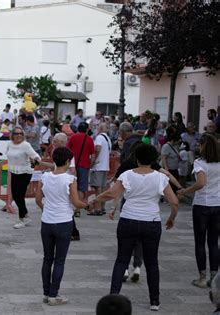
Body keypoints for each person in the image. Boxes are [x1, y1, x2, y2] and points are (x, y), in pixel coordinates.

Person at [89, 143, 178, 311]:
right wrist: (171, 218)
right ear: (154, 159)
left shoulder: (128, 175)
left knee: (121, 260)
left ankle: (113, 297)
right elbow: (174, 202)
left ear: (137, 159)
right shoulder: (161, 178)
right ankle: (154, 301)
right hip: (151, 221)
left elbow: (112, 193)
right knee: (152, 263)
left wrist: (95, 199)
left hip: (129, 220)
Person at [35, 147, 88, 306]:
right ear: (67, 161)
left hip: (47, 222)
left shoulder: (44, 177)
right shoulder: (70, 179)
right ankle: (54, 294)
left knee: (47, 258)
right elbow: (76, 202)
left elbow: (38, 200)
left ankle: (46, 293)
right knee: (59, 260)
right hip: (64, 222)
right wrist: (88, 205)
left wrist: (46, 210)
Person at [178, 134, 220, 288]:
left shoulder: (199, 162)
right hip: (218, 204)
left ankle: (202, 277)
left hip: (202, 205)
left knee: (200, 242)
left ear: (203, 146)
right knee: (214, 242)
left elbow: (201, 183)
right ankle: (214, 277)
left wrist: (185, 191)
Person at [6, 126, 41, 229]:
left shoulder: (26, 145)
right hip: (14, 171)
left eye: (21, 133)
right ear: (12, 135)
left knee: (19, 195)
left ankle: (22, 219)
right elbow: (9, 157)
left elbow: (36, 156)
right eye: (17, 133)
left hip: (25, 172)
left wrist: (35, 160)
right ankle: (25, 215)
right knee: (15, 196)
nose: (19, 135)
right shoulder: (9, 144)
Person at [66, 122, 95, 216]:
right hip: (84, 166)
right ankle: (78, 209)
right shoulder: (90, 139)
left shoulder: (73, 137)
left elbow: (67, 149)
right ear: (87, 129)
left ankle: (73, 205)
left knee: (72, 185)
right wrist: (91, 164)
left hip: (73, 165)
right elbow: (93, 155)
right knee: (81, 188)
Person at [89, 123, 111, 215]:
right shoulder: (108, 138)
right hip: (105, 166)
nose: (96, 128)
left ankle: (97, 209)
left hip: (98, 166)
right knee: (103, 188)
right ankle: (102, 207)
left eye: (98, 126)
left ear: (100, 128)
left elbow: (97, 148)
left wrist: (93, 161)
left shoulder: (99, 137)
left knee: (98, 188)